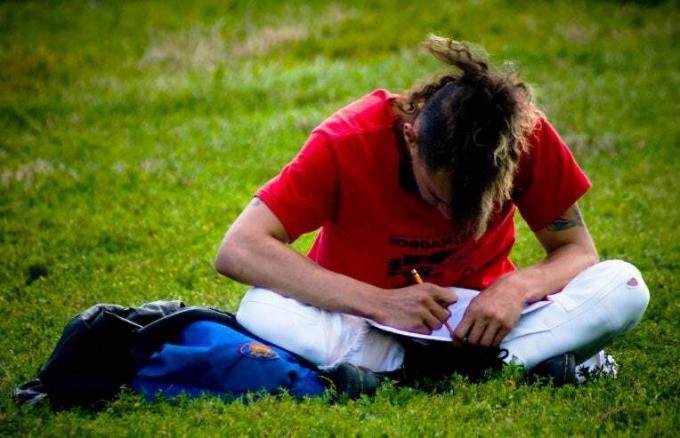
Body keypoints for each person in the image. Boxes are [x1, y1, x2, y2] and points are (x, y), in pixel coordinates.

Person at [214, 36, 649, 386]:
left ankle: (423, 372)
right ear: (411, 138)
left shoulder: (518, 134)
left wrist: (516, 289)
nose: (454, 220)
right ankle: (526, 362)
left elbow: (577, 251)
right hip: (362, 319)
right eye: (439, 198)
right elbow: (239, 248)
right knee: (260, 309)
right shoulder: (345, 141)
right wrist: (380, 303)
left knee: (626, 284)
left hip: (485, 321)